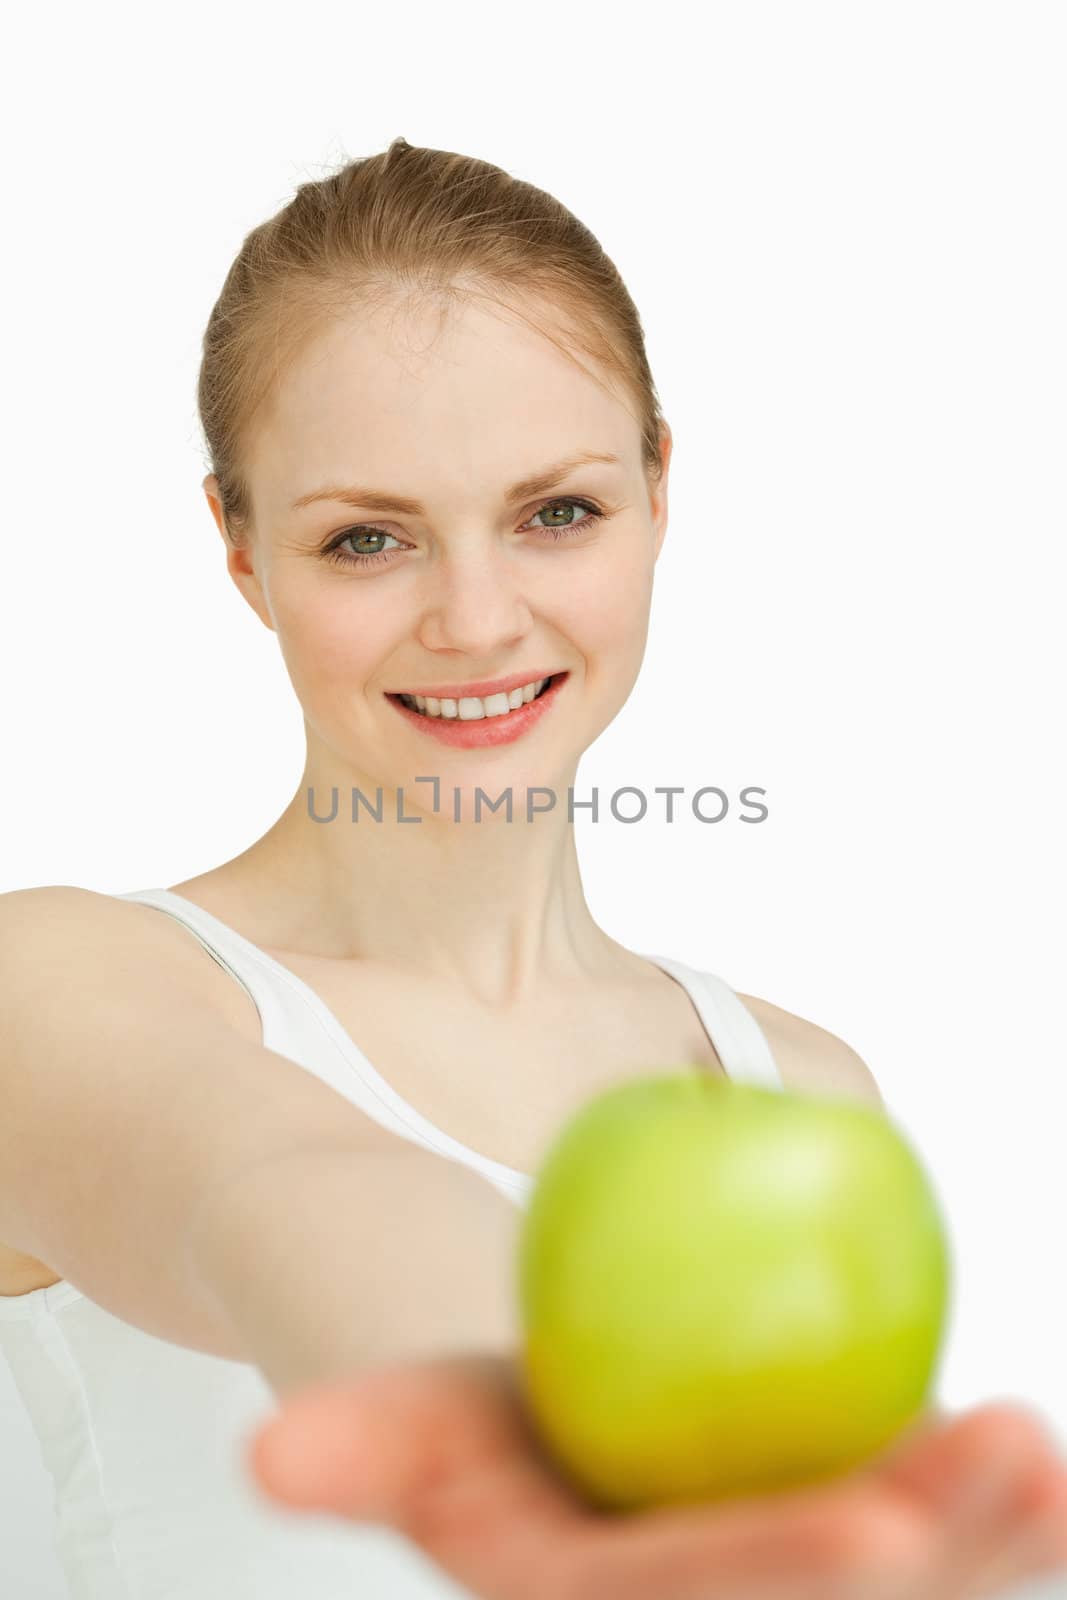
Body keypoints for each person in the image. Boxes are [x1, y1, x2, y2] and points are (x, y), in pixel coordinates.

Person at [1, 135, 1064, 1600]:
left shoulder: (794, 1087)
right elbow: (276, 1192)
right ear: (240, 553)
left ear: (657, 491)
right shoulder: (58, 985)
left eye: (556, 511)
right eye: (367, 539)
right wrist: (514, 1424)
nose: (479, 619)